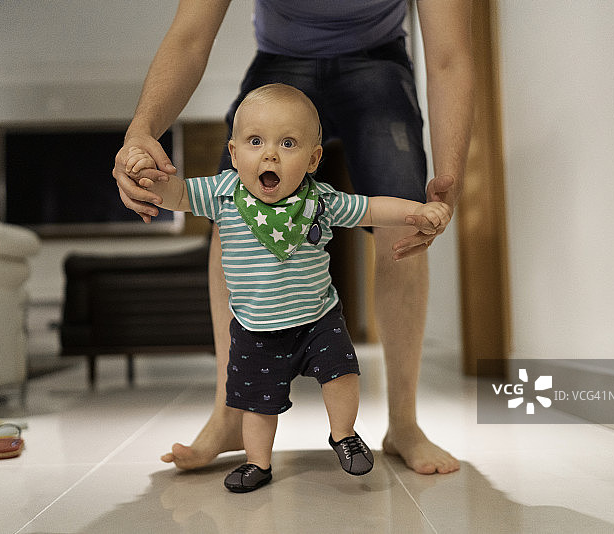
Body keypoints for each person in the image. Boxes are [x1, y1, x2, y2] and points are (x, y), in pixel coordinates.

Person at [112, 0, 473, 475]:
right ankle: (228, 415)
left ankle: (403, 422)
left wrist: (448, 177)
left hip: (379, 59)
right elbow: (190, 36)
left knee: (402, 228)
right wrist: (141, 131)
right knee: (231, 218)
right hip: (282, 57)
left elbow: (449, 54)